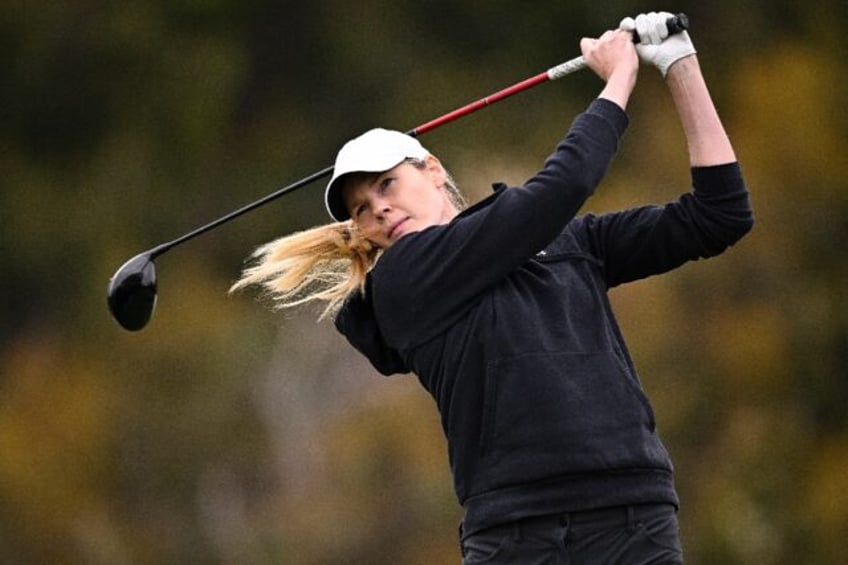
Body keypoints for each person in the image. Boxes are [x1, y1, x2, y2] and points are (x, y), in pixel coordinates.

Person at [232, 12, 753, 564]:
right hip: (516, 535)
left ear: (432, 169)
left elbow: (719, 216)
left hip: (630, 516)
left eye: (387, 185)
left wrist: (679, 63)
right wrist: (619, 79)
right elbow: (563, 185)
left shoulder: (570, 242)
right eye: (361, 210)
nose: (379, 208)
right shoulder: (406, 280)